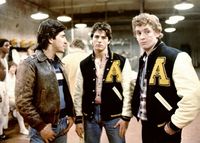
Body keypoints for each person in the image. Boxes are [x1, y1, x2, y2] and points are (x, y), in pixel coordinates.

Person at [131, 13, 200, 143]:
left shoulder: (176, 57)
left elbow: (193, 97)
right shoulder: (144, 59)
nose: (142, 37)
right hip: (147, 126)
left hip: (166, 127)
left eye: (147, 31)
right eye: (138, 33)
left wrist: (174, 125)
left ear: (157, 32)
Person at [15, 19, 74, 143]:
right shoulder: (29, 64)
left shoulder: (59, 64)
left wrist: (71, 114)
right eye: (62, 36)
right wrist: (41, 126)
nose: (66, 41)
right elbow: (22, 102)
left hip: (62, 124)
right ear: (50, 39)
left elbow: (64, 93)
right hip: (42, 128)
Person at [73, 22, 133, 143]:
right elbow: (78, 92)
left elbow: (128, 90)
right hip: (90, 115)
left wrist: (126, 117)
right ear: (92, 39)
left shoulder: (121, 61)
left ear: (109, 40)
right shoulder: (84, 64)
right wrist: (78, 119)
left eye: (103, 37)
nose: (99, 40)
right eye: (96, 37)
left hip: (114, 115)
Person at [5, 61, 29, 135]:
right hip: (7, 98)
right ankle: (22, 128)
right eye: (12, 67)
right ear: (9, 68)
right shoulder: (6, 77)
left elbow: (17, 89)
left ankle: (17, 113)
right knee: (19, 105)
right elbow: (6, 91)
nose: (14, 69)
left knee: (24, 103)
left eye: (15, 67)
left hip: (14, 97)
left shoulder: (15, 77)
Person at [0, 38, 11, 141]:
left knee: (4, 111)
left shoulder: (5, 59)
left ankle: (1, 132)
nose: (9, 47)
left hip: (5, 89)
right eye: (6, 45)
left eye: (9, 45)